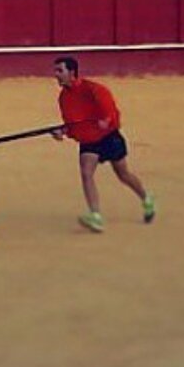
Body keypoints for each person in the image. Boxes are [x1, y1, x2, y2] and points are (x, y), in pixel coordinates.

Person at [51, 55, 155, 233]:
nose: (56, 74)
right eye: (56, 70)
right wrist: (64, 132)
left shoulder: (94, 89)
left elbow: (110, 110)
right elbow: (73, 125)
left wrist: (107, 120)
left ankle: (146, 198)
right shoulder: (63, 98)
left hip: (108, 137)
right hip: (89, 142)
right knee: (86, 173)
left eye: (60, 70)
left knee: (123, 174)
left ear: (72, 72)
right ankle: (95, 215)